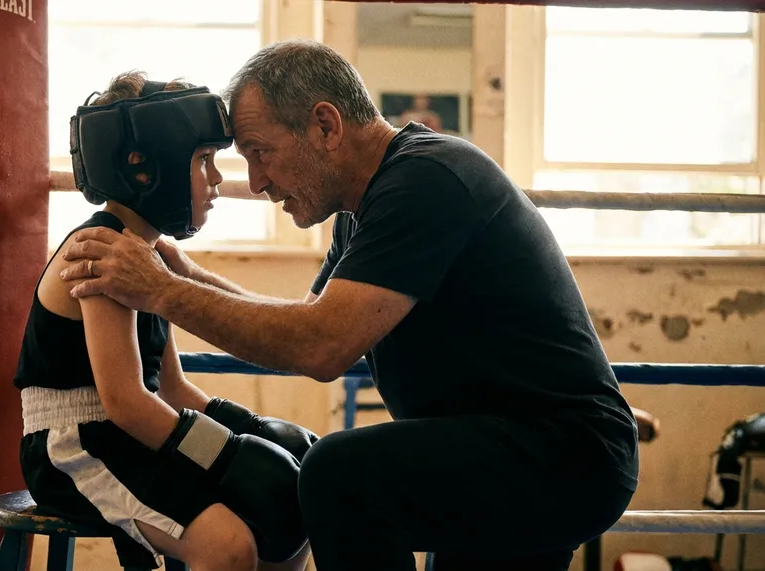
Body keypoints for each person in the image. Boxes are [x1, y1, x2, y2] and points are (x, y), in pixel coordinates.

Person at [58, 40, 640, 571]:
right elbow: (304, 319)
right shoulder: (367, 205)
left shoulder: (426, 182)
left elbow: (319, 346)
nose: (256, 182)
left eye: (261, 152)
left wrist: (161, 290)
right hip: (503, 447)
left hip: (560, 454)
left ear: (325, 125)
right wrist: (184, 275)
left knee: (339, 474)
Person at [13, 72, 316, 571]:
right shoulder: (99, 251)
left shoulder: (149, 255)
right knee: (228, 544)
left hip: (130, 430)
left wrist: (248, 432)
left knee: (286, 507)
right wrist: (225, 455)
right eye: (202, 161)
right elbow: (126, 401)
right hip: (74, 446)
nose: (217, 180)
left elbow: (170, 388)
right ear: (144, 168)